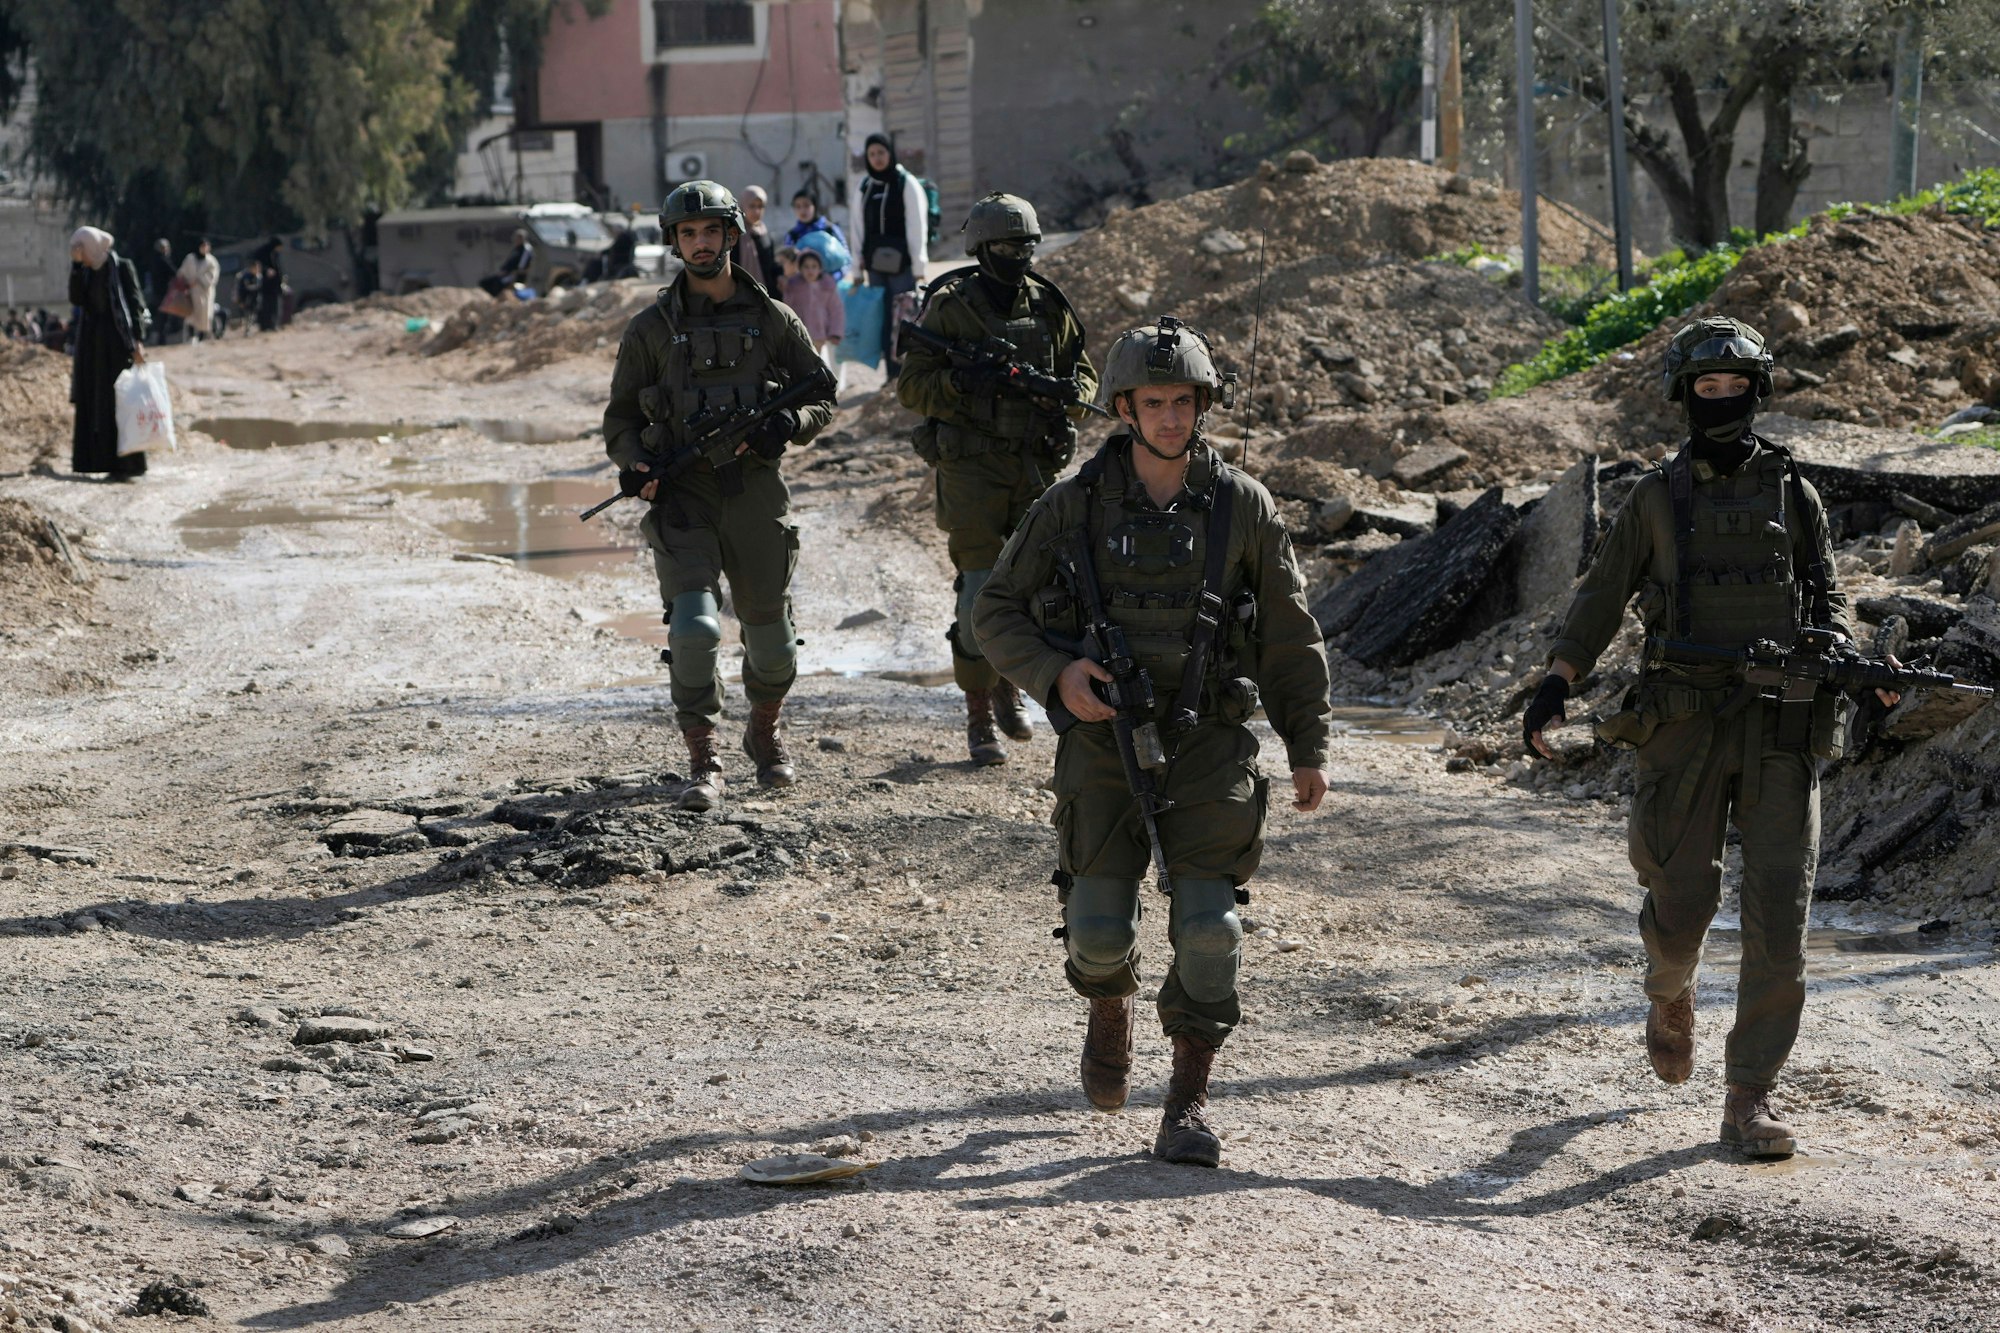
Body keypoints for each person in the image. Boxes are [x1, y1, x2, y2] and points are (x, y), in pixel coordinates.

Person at [1523, 316, 1904, 1160]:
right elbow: (1600, 596)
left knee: (1780, 915)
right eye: (1707, 387)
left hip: (1782, 723)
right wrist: (1556, 681)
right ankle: (1670, 990)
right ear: (1683, 395)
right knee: (1680, 902)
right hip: (1683, 722)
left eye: (1736, 387)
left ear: (1758, 392)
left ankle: (1748, 1097)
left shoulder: (1794, 494)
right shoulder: (1656, 498)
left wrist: (1846, 657)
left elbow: (1828, 599)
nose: (1722, 401)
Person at [973, 317, 1332, 1168]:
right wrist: (1057, 675)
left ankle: (1188, 1100)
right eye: (1154, 402)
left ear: (1203, 405)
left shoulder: (1243, 504)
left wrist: (1307, 743)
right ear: (1124, 408)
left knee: (1211, 931)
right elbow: (994, 611)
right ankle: (1110, 1002)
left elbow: (1290, 633)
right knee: (1098, 931)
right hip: (1102, 743)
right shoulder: (1071, 505)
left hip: (1210, 741)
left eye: (1184, 401)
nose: (1171, 418)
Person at [603, 180, 837, 811]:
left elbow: (821, 391)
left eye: (711, 231)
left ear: (732, 234)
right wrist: (637, 463)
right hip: (684, 496)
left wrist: (789, 424)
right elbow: (620, 419)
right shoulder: (650, 330)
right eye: (688, 234)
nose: (701, 243)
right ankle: (703, 756)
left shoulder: (772, 319)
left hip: (755, 492)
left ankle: (764, 731)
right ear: (673, 242)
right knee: (697, 627)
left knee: (773, 641)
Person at [899, 192, 1096, 764]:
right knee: (979, 591)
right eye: (1008, 247)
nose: (1020, 256)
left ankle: (1012, 681)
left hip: (1035, 464)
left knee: (1036, 590)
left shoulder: (1050, 305)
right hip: (972, 470)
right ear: (982, 249)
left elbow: (1083, 377)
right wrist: (964, 386)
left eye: (1028, 246)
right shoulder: (952, 307)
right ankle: (979, 709)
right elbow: (912, 387)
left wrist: (1068, 396)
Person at [67, 226, 150, 480]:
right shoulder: (87, 273)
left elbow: (135, 304)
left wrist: (137, 341)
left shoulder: (121, 266)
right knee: (96, 406)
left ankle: (128, 464)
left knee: (121, 404)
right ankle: (99, 462)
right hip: (92, 349)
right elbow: (76, 298)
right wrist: (77, 267)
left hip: (117, 346)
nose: (83, 255)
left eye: (83, 250)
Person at [855, 133, 929, 382]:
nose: (877, 158)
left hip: (902, 267)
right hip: (875, 266)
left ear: (890, 153)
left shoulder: (905, 183)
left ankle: (908, 373)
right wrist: (856, 268)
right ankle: (890, 374)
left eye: (881, 153)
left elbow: (917, 225)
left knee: (904, 320)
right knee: (882, 318)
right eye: (872, 154)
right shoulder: (865, 186)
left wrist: (919, 266)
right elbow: (857, 228)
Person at [782, 249, 845, 385]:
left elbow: (836, 311)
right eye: (806, 267)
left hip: (822, 334)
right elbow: (787, 310)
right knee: (804, 365)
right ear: (800, 268)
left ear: (820, 268)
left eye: (814, 267)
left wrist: (835, 332)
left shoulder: (828, 286)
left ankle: (828, 390)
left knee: (824, 364)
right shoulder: (793, 286)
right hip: (800, 335)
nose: (810, 271)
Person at [784, 191, 846, 281]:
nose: (802, 210)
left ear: (815, 206)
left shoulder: (829, 229)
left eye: (806, 205)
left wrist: (837, 277)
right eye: (798, 206)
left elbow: (845, 256)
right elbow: (788, 263)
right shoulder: (793, 235)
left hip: (831, 285)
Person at [735, 185, 781, 290]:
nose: (757, 211)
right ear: (743, 206)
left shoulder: (765, 234)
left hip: (764, 295)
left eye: (760, 207)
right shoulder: (734, 234)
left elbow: (771, 267)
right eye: (752, 206)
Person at [177, 238, 220, 343]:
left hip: (205, 292)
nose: (205, 248)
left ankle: (202, 336)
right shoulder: (190, 258)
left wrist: (200, 280)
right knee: (191, 315)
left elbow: (212, 276)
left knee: (204, 315)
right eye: (203, 246)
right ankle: (191, 336)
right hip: (191, 291)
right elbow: (182, 272)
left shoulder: (211, 261)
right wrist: (186, 283)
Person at [146, 238, 181, 344]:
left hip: (155, 292)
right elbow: (174, 273)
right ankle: (161, 339)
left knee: (157, 316)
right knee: (163, 317)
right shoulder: (163, 260)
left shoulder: (153, 260)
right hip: (163, 293)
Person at [481, 228, 533, 298]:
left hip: (513, 276)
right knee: (484, 282)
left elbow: (521, 267)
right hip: (505, 274)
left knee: (496, 284)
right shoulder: (516, 249)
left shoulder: (526, 250)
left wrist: (508, 273)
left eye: (518, 238)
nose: (516, 240)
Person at [252, 235, 286, 330]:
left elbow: (277, 267)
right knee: (265, 306)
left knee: (275, 306)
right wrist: (266, 270)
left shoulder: (275, 253)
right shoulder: (262, 252)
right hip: (265, 285)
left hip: (275, 285)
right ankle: (265, 326)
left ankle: (273, 324)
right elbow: (256, 265)